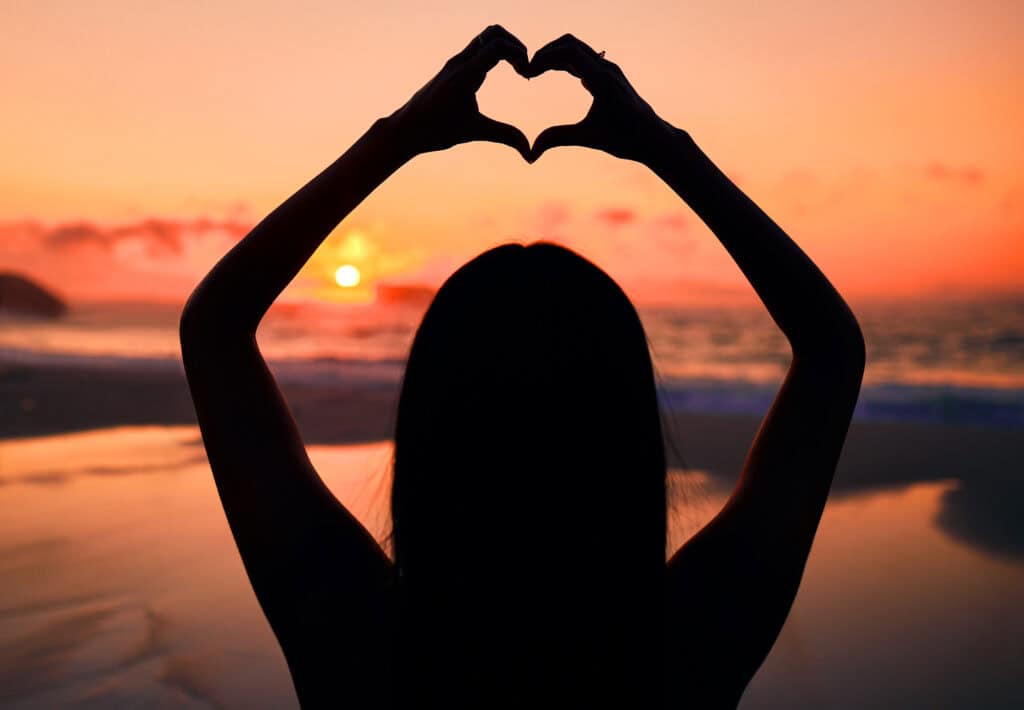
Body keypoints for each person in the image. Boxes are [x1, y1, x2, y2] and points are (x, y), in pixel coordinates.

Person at [180, 26, 865, 709]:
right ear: (626, 444)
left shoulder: (355, 637)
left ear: (429, 435)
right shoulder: (685, 649)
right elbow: (832, 350)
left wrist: (399, 136)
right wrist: (663, 147)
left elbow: (215, 329)